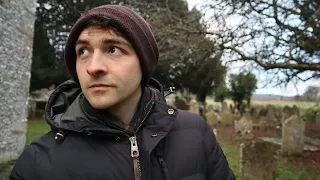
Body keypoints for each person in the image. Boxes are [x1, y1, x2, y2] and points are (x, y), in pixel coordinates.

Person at [10, 4, 235, 180]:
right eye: (83, 51)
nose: (93, 66)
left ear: (144, 63)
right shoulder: (37, 162)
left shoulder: (196, 133)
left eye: (113, 49)